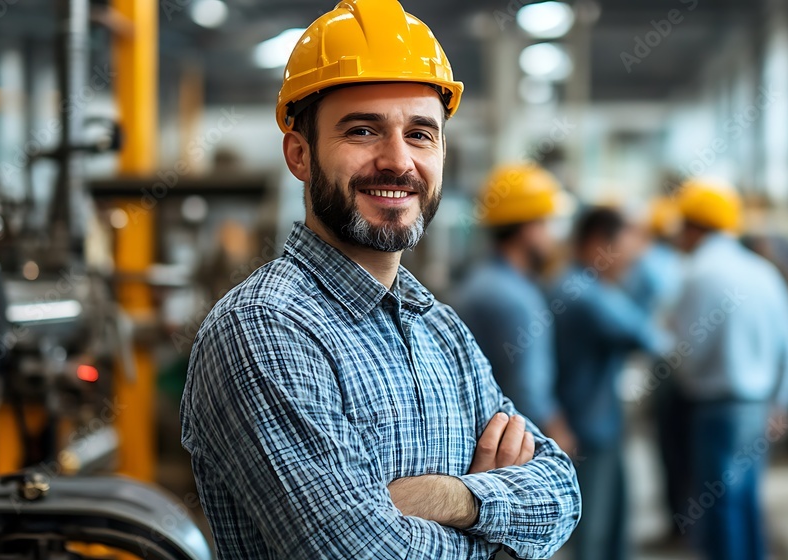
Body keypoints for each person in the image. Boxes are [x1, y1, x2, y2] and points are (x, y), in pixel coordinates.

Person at [179, 2, 581, 558]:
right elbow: (356, 551)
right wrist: (499, 539)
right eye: (363, 130)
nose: (397, 161)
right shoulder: (264, 330)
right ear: (300, 154)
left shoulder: (440, 330)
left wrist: (453, 496)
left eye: (420, 134)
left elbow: (561, 489)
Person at [670, 179, 788, 560]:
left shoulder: (696, 274)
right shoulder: (762, 272)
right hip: (759, 407)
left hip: (717, 409)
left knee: (719, 510)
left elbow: (685, 353)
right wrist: (781, 403)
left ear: (693, 227)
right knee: (745, 503)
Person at [550, 206, 672, 560]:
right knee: (595, 535)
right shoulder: (581, 292)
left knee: (613, 527)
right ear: (595, 244)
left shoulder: (581, 284)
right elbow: (647, 337)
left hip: (600, 422)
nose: (628, 257)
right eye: (621, 246)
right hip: (587, 428)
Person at [454, 163, 578, 457]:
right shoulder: (515, 298)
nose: (553, 237)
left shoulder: (480, 281)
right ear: (528, 230)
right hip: (512, 449)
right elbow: (528, 391)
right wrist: (559, 433)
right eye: (548, 224)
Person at [621, 197, 689, 541]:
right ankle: (685, 522)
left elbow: (629, 317)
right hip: (678, 363)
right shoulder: (680, 264)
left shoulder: (645, 267)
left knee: (668, 445)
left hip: (659, 362)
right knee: (682, 448)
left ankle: (677, 522)